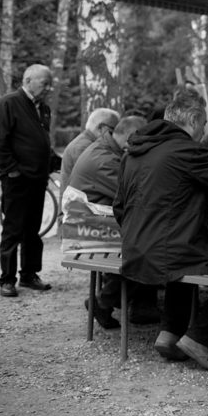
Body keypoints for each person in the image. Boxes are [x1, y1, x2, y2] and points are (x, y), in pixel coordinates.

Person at [113, 87, 208, 369]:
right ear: (191, 121)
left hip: (134, 248)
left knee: (186, 250)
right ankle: (201, 337)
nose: (204, 132)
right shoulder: (188, 151)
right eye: (203, 124)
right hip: (171, 251)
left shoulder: (133, 152)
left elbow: (119, 206)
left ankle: (169, 333)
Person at [68, 115, 148, 328]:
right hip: (89, 229)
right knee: (149, 250)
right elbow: (135, 196)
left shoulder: (105, 149)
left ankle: (116, 302)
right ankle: (103, 302)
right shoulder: (105, 160)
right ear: (132, 137)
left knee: (150, 240)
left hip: (97, 221)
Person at [0, 63, 60, 297]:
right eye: (44, 83)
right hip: (17, 180)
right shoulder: (9, 103)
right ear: (28, 80)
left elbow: (42, 143)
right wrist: (12, 170)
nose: (48, 88)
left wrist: (57, 164)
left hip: (38, 179)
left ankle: (29, 275)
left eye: (50, 83)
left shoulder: (43, 108)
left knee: (32, 230)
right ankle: (7, 279)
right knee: (13, 229)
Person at [59, 107, 120, 202]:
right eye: (113, 130)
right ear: (101, 128)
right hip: (76, 212)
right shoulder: (84, 147)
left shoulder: (85, 143)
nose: (116, 136)